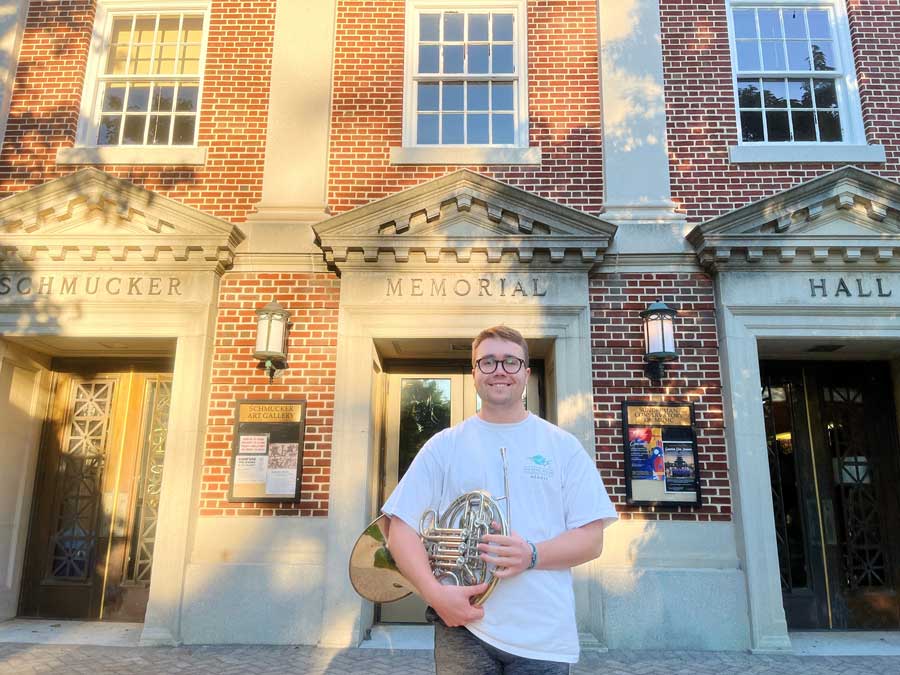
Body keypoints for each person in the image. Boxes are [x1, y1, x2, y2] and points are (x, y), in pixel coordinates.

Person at [382, 325, 617, 674]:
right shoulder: (444, 445)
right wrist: (435, 594)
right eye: (488, 362)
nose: (500, 371)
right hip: (463, 625)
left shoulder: (562, 446)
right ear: (474, 372)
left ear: (526, 372)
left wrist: (531, 555)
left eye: (510, 362)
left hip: (544, 632)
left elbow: (591, 540)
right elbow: (399, 528)